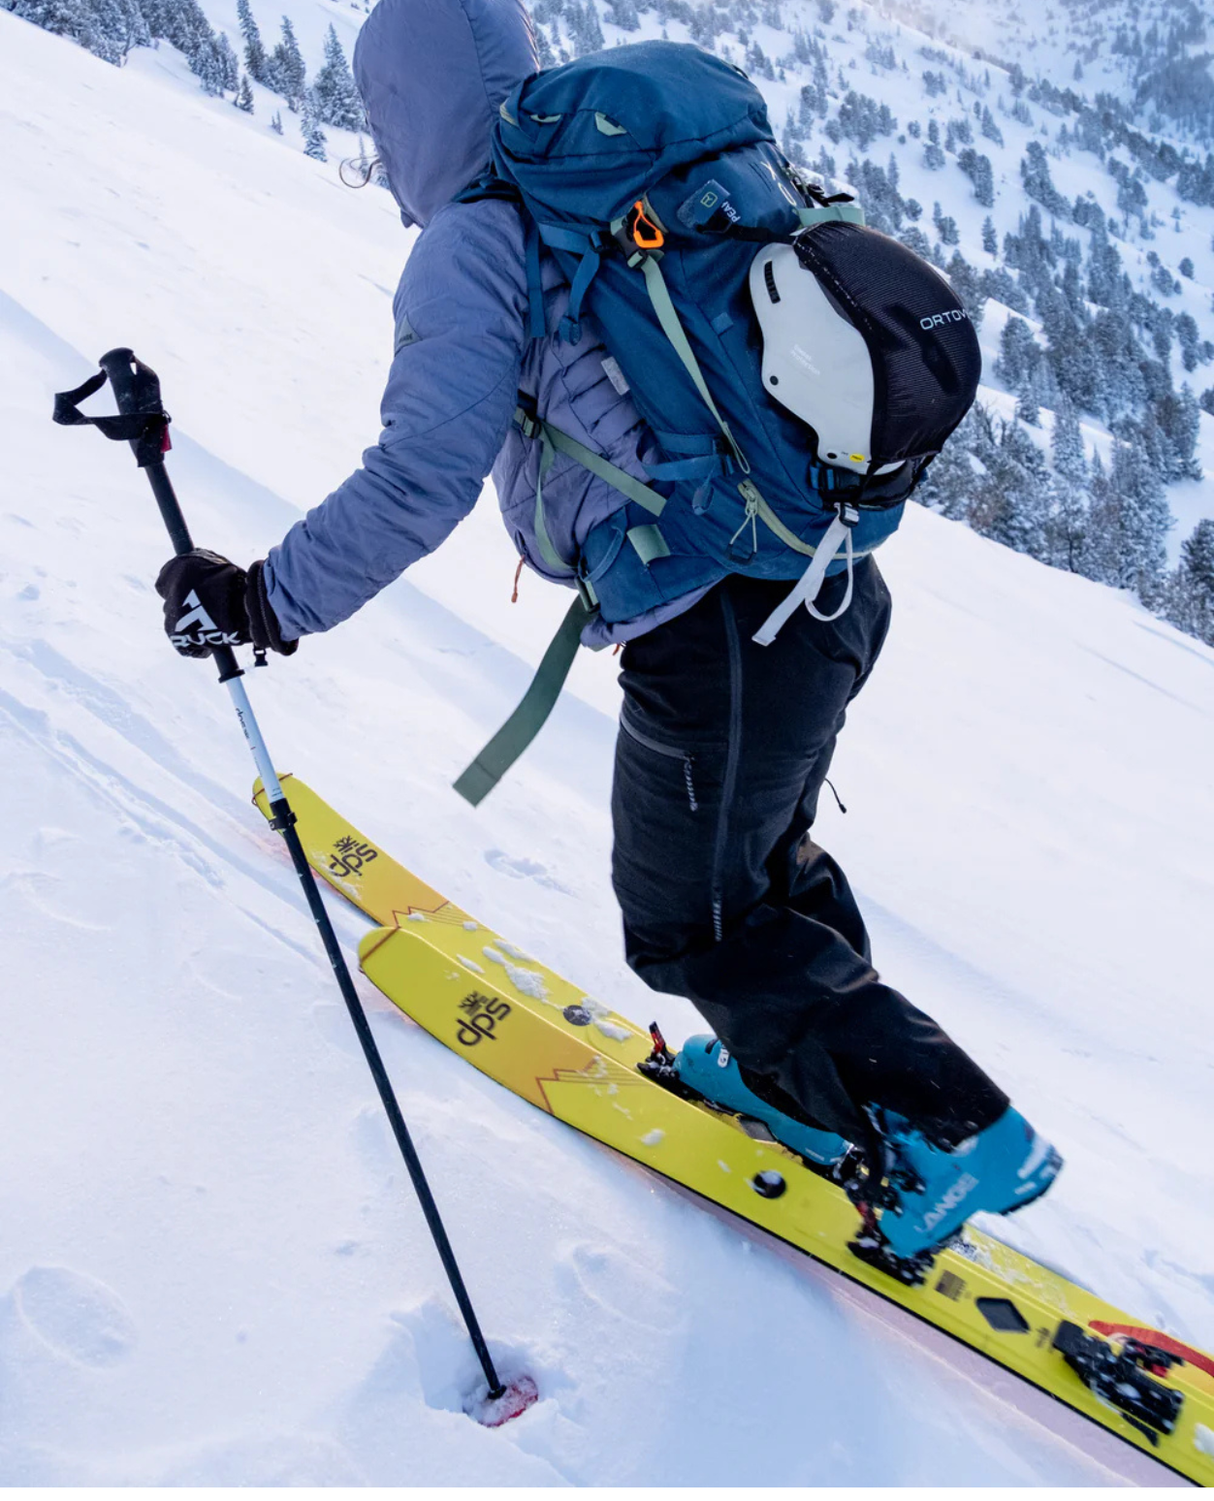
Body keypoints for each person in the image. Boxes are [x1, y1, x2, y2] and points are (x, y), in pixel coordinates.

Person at [157, 0, 1060, 1263]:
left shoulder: (480, 240)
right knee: (754, 868)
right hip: (824, 584)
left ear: (405, 110)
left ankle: (952, 1131)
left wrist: (264, 600)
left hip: (722, 622)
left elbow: (420, 476)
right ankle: (802, 1095)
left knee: (690, 917)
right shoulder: (623, 181)